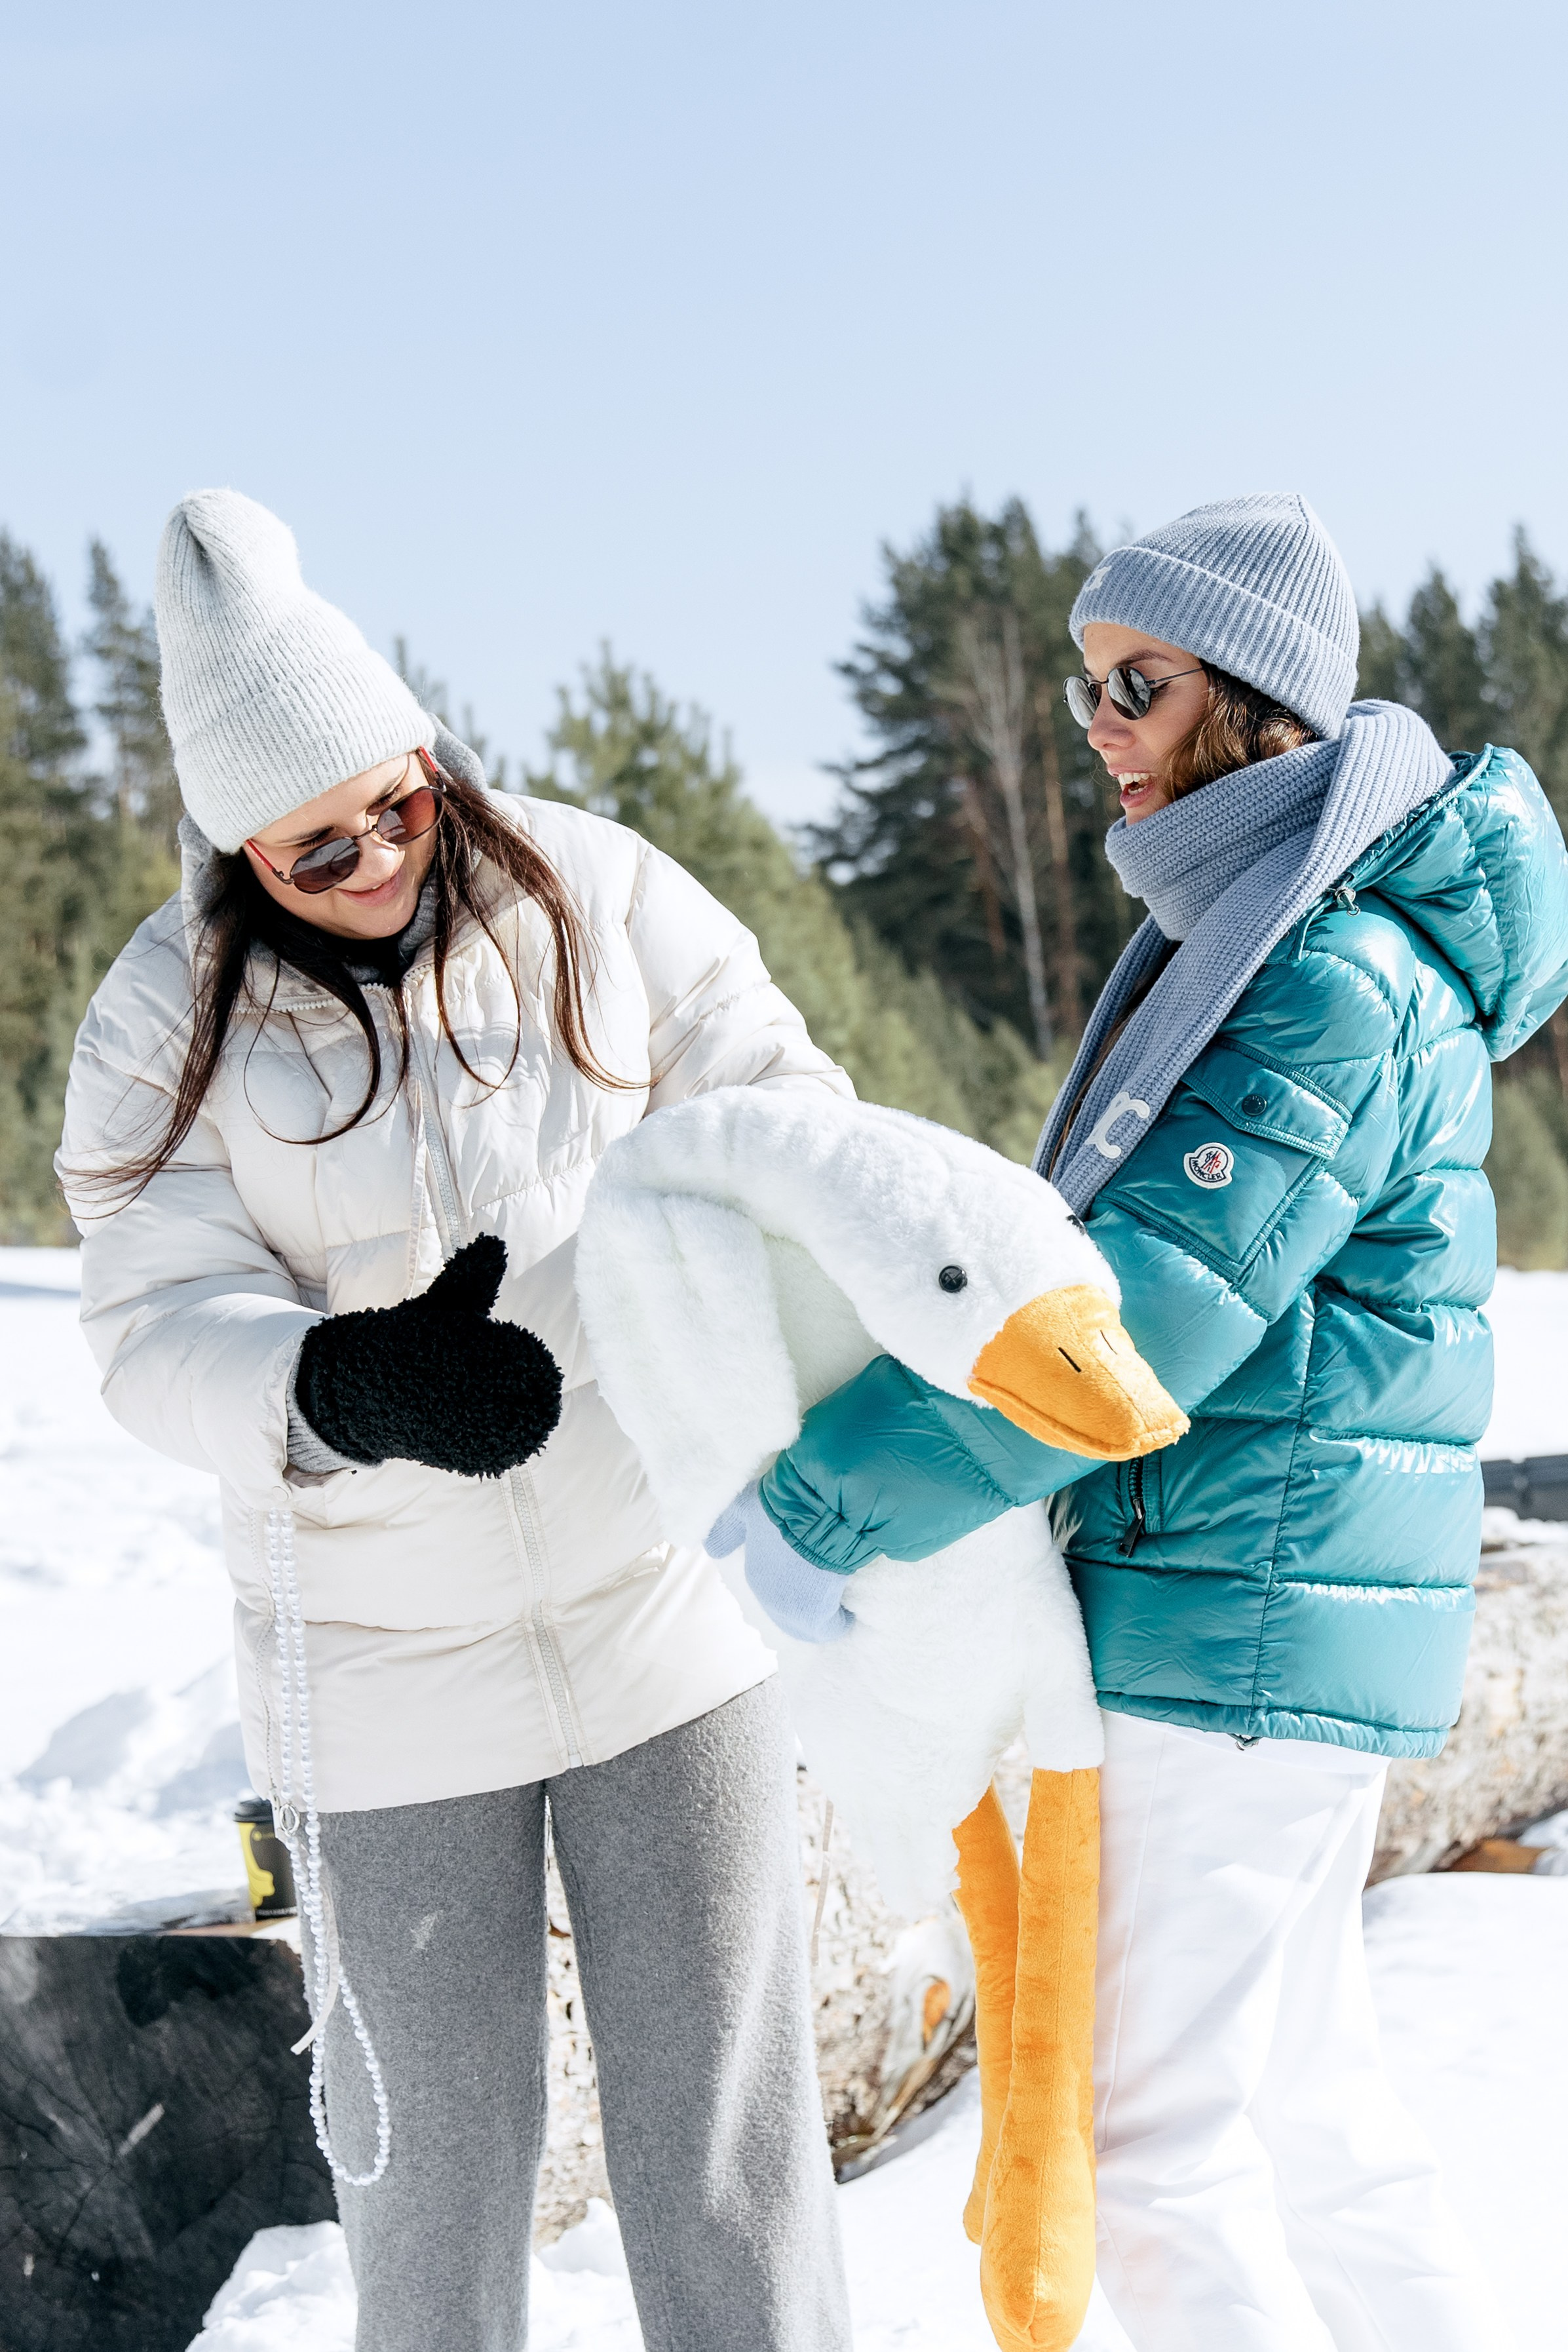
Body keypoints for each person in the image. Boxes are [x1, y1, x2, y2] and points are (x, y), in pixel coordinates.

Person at [739, 496, 1568, 2351]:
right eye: (1081, 685)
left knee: (1148, 2135)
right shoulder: (1287, 934)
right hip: (1266, 1612)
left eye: (1139, 682)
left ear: (1253, 706)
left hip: (1239, 1621)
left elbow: (1130, 1320)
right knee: (1307, 2110)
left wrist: (830, 1497)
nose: (1098, 721)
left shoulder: (1326, 973)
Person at [58, 488, 852, 2352]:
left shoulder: (601, 891)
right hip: (378, 1672)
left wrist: (772, 1292)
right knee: (427, 2185)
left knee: (726, 2160)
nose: (374, 858)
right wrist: (333, 1383)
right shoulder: (163, 1017)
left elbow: (776, 1103)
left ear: (426, 751)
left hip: (661, 1611)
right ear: (235, 849)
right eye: (312, 850)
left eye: (392, 804)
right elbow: (148, 1321)